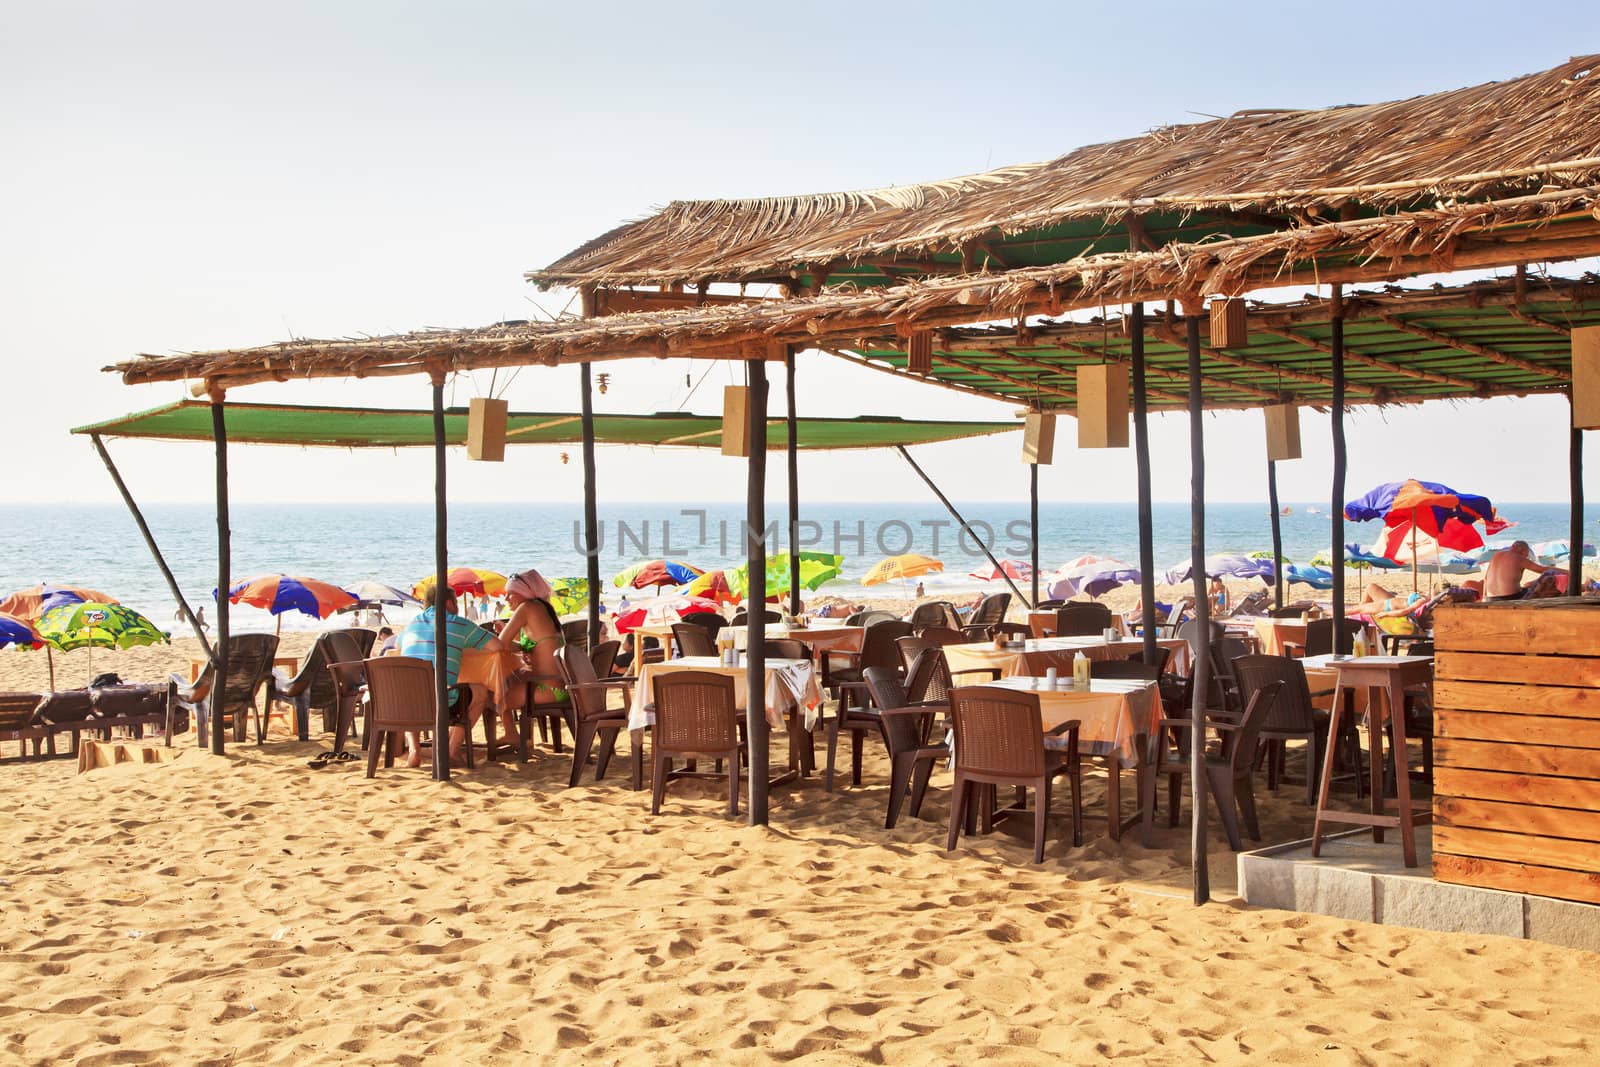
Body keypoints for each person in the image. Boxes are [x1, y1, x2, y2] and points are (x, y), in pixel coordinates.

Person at [398, 589, 500, 766]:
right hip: (440, 702)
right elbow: (497, 646)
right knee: (480, 691)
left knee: (412, 687)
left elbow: (399, 645)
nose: (457, 607)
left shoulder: (413, 623)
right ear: (447, 603)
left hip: (406, 704)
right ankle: (451, 751)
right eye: (455, 602)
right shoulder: (459, 624)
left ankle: (414, 750)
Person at [498, 569, 567, 740]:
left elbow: (500, 644)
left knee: (495, 696)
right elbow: (527, 647)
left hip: (548, 689)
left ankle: (512, 735)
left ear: (523, 593)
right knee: (508, 679)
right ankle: (523, 739)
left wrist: (496, 636)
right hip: (561, 686)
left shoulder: (527, 607)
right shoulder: (543, 608)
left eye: (510, 594)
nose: (506, 599)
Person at [1484, 540, 1556, 600]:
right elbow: (1544, 570)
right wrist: (1566, 572)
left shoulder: (1496, 555)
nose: (1526, 557)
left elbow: (1486, 578)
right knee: (1549, 578)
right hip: (1510, 598)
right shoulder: (1519, 558)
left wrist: (1484, 598)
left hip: (1490, 598)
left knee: (1527, 587)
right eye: (1526, 555)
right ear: (1523, 551)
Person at [1352, 582, 1425, 618]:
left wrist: (1386, 613)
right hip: (1393, 602)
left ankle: (1358, 618)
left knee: (1357, 609)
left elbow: (1405, 611)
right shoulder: (1428, 599)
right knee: (1370, 587)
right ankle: (1359, 617)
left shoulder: (1423, 601)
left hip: (1390, 606)